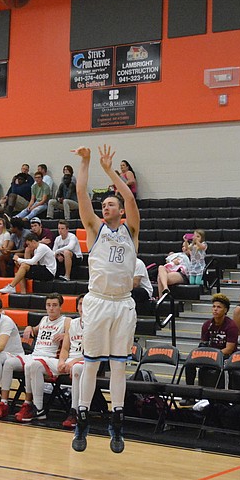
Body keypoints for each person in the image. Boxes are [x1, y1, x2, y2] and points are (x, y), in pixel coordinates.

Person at [71, 144, 140, 454]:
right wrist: (86, 162)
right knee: (91, 365)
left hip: (123, 303)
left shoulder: (131, 231)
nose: (107, 207)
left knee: (118, 367)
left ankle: (117, 419)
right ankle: (82, 416)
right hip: (98, 301)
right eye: (105, 205)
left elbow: (130, 197)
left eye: (111, 204)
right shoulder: (94, 229)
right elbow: (82, 194)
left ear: (120, 210)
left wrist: (110, 170)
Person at [0, 293, 69, 422]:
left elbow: (75, 333)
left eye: (54, 305)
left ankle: (29, 404)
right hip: (35, 355)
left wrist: (66, 335)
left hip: (51, 358)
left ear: (60, 307)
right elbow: (35, 330)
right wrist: (29, 327)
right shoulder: (43, 320)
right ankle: (4, 403)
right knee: (9, 363)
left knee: (32, 365)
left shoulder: (66, 321)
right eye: (48, 305)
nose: (51, 308)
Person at [185, 293, 237, 390]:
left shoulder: (231, 326)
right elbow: (203, 344)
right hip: (209, 354)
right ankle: (189, 393)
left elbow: (229, 349)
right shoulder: (207, 325)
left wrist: (215, 355)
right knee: (189, 363)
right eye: (213, 307)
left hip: (224, 356)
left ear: (225, 310)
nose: (215, 309)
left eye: (219, 307)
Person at [60, 294, 86, 429]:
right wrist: (61, 361)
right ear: (77, 307)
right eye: (80, 304)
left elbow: (94, 353)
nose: (83, 307)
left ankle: (74, 411)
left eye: (85, 304)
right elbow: (65, 348)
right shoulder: (72, 323)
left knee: (76, 368)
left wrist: (73, 361)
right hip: (71, 360)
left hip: (89, 361)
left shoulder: (96, 324)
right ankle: (37, 408)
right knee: (33, 365)